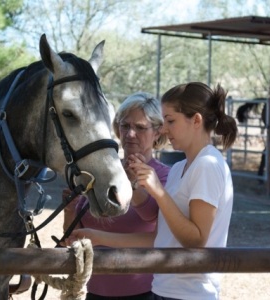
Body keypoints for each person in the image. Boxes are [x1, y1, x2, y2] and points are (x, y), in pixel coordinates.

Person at [65, 82, 238, 300]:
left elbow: (196, 241)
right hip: (165, 289)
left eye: (170, 121)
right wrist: (96, 237)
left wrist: (158, 191)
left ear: (196, 120)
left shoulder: (208, 165)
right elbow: (160, 238)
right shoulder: (179, 168)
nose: (164, 129)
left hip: (191, 294)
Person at [62, 92, 170, 300]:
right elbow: (73, 238)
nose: (130, 134)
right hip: (94, 292)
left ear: (157, 132)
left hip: (146, 293)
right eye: (125, 125)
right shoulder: (99, 175)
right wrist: (68, 209)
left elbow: (156, 227)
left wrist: (133, 184)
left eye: (140, 127)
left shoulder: (166, 176)